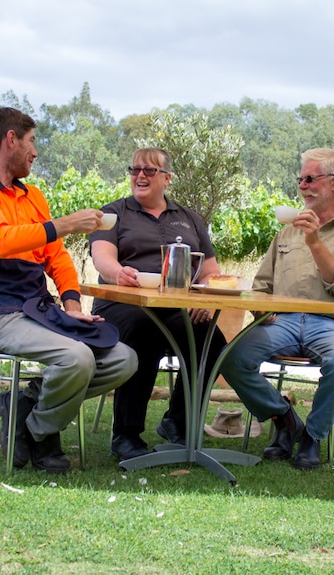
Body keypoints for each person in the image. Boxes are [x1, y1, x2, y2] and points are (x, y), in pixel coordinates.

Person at [0, 107, 138, 474]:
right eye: (32, 141)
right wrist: (64, 224)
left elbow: (57, 258)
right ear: (11, 140)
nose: (35, 152)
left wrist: (70, 303)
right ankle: (43, 434)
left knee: (123, 359)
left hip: (40, 311)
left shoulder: (32, 196)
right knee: (77, 358)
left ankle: (29, 421)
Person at [220, 148, 334, 470]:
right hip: (283, 322)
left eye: (310, 179)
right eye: (300, 179)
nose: (302, 186)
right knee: (231, 359)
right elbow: (262, 285)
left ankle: (312, 436)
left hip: (333, 322)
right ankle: (285, 419)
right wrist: (259, 312)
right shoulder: (286, 230)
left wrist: (316, 242)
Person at [89, 147, 227, 461]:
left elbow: (210, 273)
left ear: (167, 178)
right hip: (122, 303)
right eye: (134, 169)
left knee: (211, 339)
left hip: (174, 307)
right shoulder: (112, 214)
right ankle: (125, 434)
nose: (140, 176)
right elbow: (102, 259)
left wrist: (205, 298)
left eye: (149, 171)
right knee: (145, 328)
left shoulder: (189, 218)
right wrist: (118, 272)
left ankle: (177, 421)